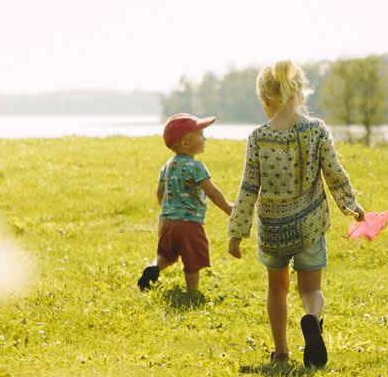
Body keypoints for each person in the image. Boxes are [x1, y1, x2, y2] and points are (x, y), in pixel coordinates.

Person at [228, 60, 366, 368]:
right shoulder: (316, 130)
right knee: (311, 288)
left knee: (277, 287)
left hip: (273, 229)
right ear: (301, 94)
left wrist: (237, 232)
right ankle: (310, 317)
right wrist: (350, 205)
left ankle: (281, 352)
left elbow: (248, 188)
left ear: (265, 100)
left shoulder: (258, 137)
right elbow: (333, 172)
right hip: (310, 225)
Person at [138, 113, 233, 293]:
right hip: (189, 223)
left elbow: (160, 192)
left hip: (167, 222)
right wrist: (229, 208)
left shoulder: (167, 166)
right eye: (201, 135)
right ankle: (192, 292)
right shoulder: (196, 167)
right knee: (192, 259)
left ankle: (154, 268)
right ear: (186, 143)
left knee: (167, 254)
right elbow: (212, 192)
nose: (205, 138)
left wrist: (167, 211)